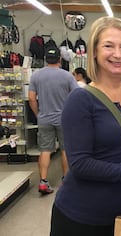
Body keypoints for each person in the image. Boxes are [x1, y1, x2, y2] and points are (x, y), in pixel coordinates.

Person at [49, 16, 121, 236]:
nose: (117, 54)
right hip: (80, 218)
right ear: (94, 52)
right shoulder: (80, 100)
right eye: (108, 46)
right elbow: (80, 164)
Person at [28, 45, 79, 194]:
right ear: (60, 59)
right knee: (65, 149)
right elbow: (77, 96)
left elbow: (31, 98)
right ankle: (66, 181)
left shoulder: (36, 76)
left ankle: (43, 182)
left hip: (44, 118)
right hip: (64, 119)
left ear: (45, 59)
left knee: (45, 150)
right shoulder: (67, 76)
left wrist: (38, 115)